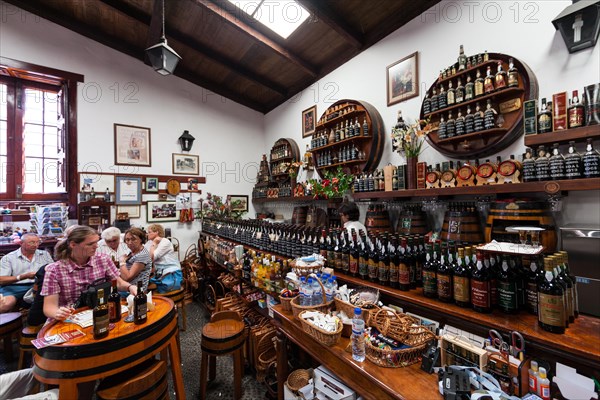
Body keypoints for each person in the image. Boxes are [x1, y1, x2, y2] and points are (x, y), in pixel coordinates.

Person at [41, 226, 136, 321]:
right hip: (69, 317)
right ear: (73, 244)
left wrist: (130, 287)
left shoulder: (103, 259)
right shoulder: (55, 270)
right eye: (90, 244)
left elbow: (118, 282)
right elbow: (49, 307)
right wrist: (57, 312)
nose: (96, 246)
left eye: (96, 242)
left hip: (98, 312)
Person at [0, 233, 54, 312]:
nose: (36, 245)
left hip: (39, 286)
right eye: (32, 242)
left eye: (38, 242)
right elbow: (1, 279)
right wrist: (23, 276)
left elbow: (53, 270)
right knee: (5, 304)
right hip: (15, 287)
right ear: (21, 243)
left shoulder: (44, 254)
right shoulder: (9, 258)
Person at [145, 224, 182, 293]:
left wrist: (154, 244)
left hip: (171, 273)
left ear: (157, 232)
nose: (147, 234)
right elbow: (144, 254)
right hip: (159, 272)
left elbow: (151, 258)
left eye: (149, 232)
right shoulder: (149, 242)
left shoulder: (165, 242)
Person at [119, 227, 152, 295]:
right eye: (127, 240)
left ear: (141, 240)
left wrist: (122, 262)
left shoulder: (142, 255)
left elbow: (127, 278)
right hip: (128, 289)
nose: (130, 242)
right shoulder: (132, 252)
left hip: (135, 292)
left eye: (133, 239)